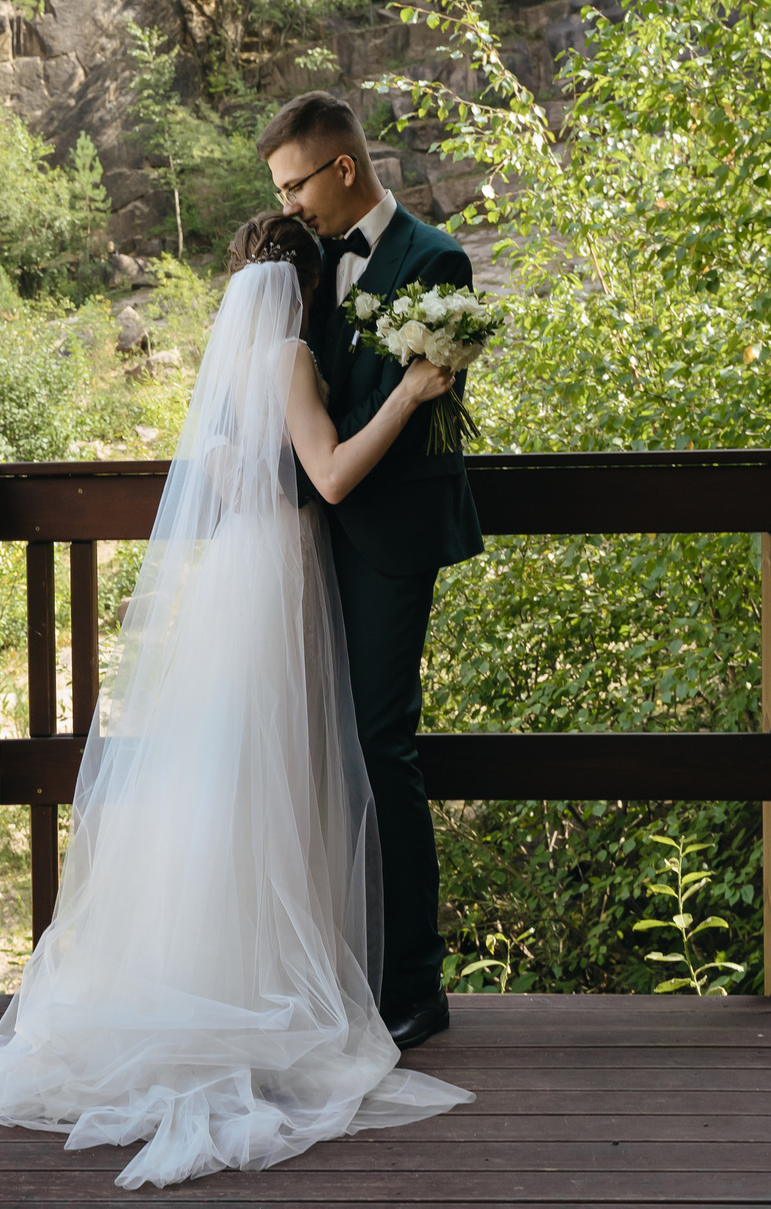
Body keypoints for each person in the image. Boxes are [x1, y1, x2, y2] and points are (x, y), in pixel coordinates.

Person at [0, 214, 470, 1189]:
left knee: (235, 775)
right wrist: (408, 392)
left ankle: (228, 967)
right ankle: (272, 980)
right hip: (279, 574)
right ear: (305, 288)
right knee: (280, 774)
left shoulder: (227, 365)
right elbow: (327, 475)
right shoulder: (289, 357)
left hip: (234, 573)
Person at [260, 89, 483, 1049]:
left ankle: (414, 981)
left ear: (342, 167)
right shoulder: (307, 265)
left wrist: (325, 454)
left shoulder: (435, 261)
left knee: (382, 745)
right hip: (306, 539)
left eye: (295, 185)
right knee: (315, 749)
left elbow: (410, 407)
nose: (289, 204)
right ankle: (335, 962)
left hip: (389, 541)